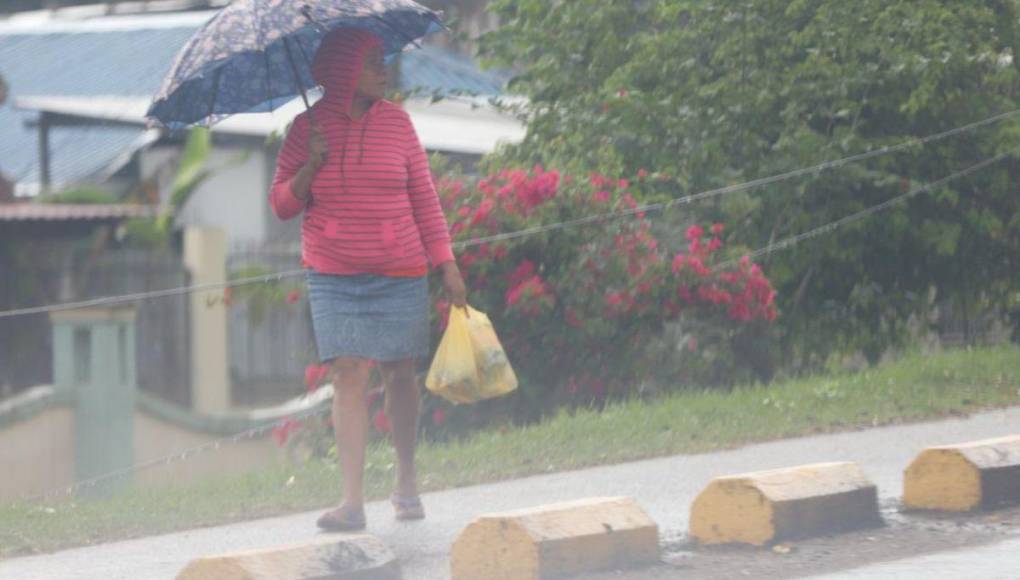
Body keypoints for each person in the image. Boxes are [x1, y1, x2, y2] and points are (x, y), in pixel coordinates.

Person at [269, 27, 466, 531]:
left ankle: (405, 478)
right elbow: (282, 206)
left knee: (399, 372)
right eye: (374, 62)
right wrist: (310, 165)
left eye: (383, 60)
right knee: (347, 374)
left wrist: (446, 263)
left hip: (398, 268)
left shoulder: (398, 125)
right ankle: (352, 501)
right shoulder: (303, 131)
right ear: (342, 71)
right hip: (333, 273)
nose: (384, 70)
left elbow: (424, 199)